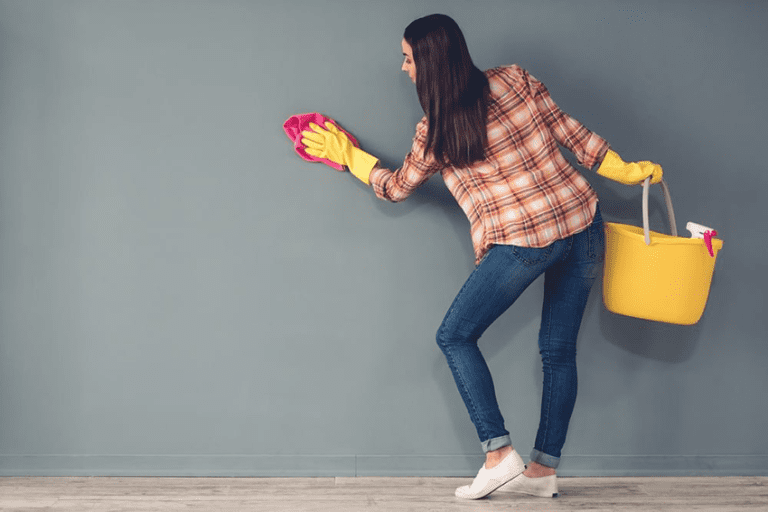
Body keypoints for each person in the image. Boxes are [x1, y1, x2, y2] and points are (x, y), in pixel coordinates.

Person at [299, 13, 662, 500]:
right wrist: (621, 169)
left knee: (453, 336)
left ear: (429, 65)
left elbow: (395, 188)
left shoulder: (435, 131)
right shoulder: (516, 79)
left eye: (407, 59)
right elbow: (573, 134)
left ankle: (498, 455)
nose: (403, 68)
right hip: (583, 223)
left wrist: (349, 156)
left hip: (524, 244)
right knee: (558, 353)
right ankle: (543, 471)